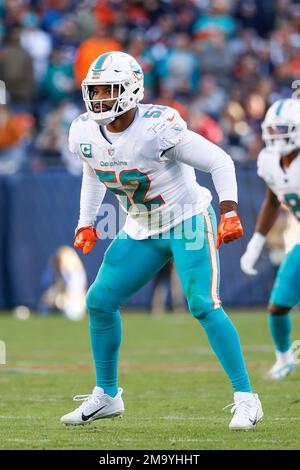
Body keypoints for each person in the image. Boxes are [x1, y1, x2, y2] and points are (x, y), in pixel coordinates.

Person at [60, 51, 263, 430]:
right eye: (96, 90)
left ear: (132, 90)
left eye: (109, 90)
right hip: (140, 226)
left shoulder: (158, 126)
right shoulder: (84, 130)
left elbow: (220, 161)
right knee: (100, 301)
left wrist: (231, 209)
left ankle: (247, 398)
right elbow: (92, 168)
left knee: (203, 303)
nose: (100, 99)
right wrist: (86, 221)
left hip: (186, 220)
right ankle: (107, 395)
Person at [241, 98, 300, 380]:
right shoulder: (268, 160)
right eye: (274, 130)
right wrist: (256, 243)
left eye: (285, 129)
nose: (278, 136)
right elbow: (272, 201)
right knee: (277, 306)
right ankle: (284, 359)